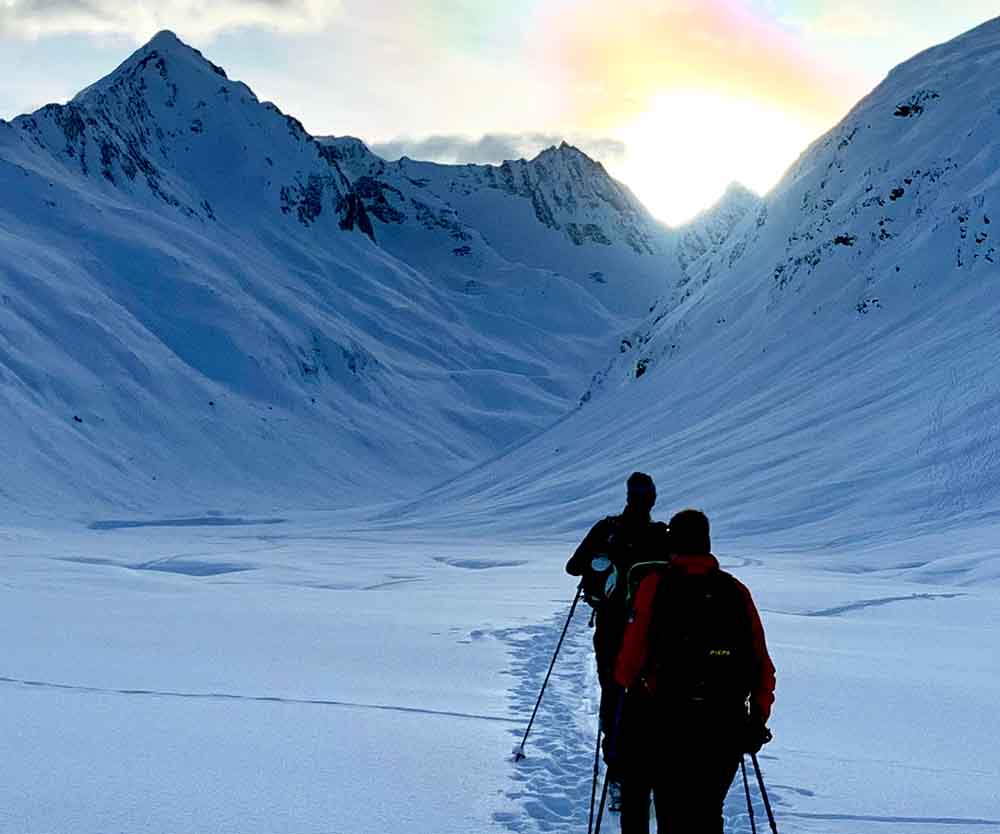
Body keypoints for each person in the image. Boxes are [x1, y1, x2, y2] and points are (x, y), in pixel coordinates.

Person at [612, 508, 776, 834]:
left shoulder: (655, 586)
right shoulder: (735, 590)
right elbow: (761, 665)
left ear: (673, 543)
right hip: (724, 723)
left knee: (671, 814)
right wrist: (757, 718)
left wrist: (626, 686)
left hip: (666, 720)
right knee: (706, 813)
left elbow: (628, 664)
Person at [565, 472, 669, 788]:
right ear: (652, 499)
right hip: (654, 631)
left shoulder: (607, 529)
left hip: (611, 626)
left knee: (613, 691)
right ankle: (649, 767)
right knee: (650, 693)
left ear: (627, 497)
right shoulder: (661, 535)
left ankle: (617, 768)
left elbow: (573, 567)